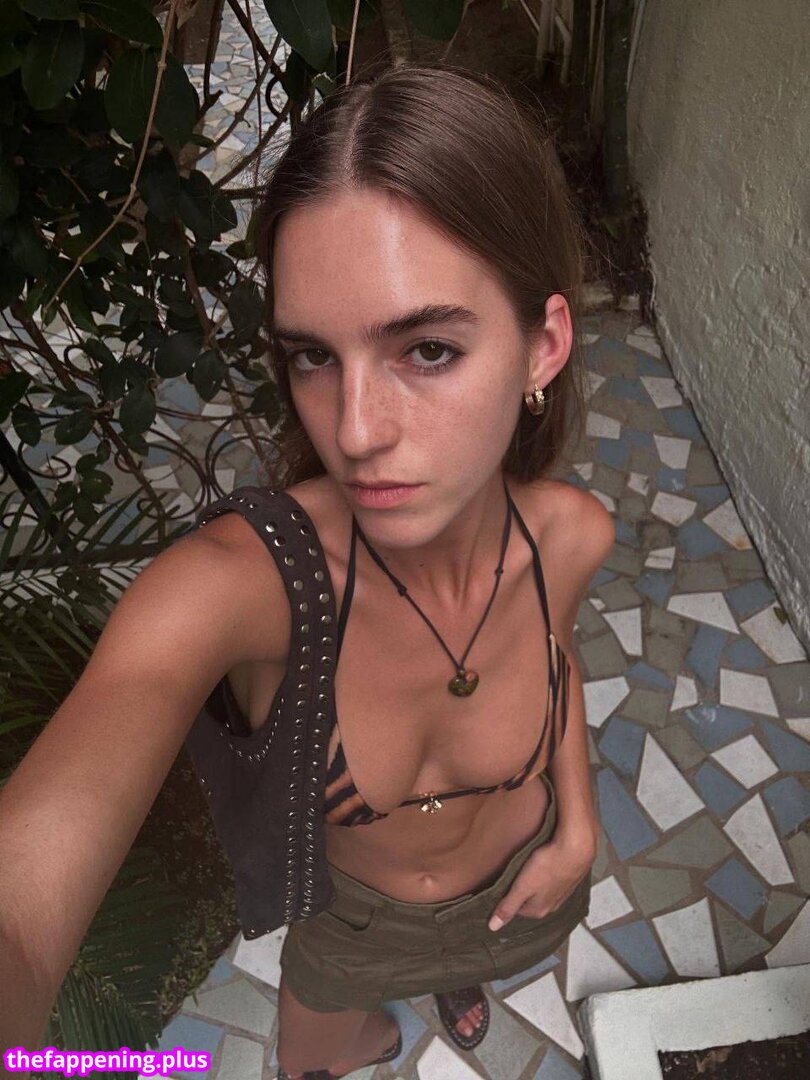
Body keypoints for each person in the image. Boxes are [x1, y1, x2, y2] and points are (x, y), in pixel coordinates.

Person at [0, 63, 613, 1080]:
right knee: (315, 1061)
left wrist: (578, 829)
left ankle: (456, 976)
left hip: (520, 887)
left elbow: (556, 661)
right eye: (313, 356)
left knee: (471, 955)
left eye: (426, 349)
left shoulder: (572, 537)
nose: (355, 432)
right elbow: (21, 911)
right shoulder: (242, 590)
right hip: (354, 927)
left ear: (543, 346)